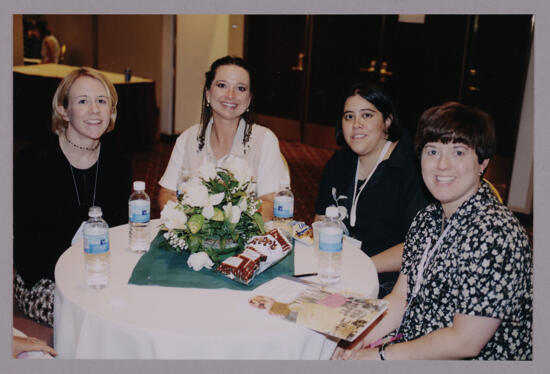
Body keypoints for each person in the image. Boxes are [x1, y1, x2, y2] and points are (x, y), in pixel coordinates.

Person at [332, 102, 533, 360]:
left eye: (458, 153)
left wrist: (383, 356)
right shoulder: (428, 218)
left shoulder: (496, 234)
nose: (442, 165)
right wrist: (360, 338)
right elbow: (401, 297)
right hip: (415, 344)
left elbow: (465, 343)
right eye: (433, 152)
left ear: (482, 162)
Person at [14, 67, 132, 327]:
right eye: (82, 101)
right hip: (45, 277)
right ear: (63, 110)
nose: (94, 110)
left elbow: (122, 231)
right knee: (93, 315)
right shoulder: (33, 161)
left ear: (111, 111)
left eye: (102, 101)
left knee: (133, 306)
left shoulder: (118, 164)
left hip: (102, 271)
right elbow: (25, 246)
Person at [315, 82, 430, 297]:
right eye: (349, 116)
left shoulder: (411, 168)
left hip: (391, 280)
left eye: (367, 115)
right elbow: (320, 219)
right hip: (339, 270)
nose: (356, 124)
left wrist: (363, 266)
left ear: (387, 121)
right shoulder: (339, 162)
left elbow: (418, 246)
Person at [158, 56, 288, 222]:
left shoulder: (264, 140)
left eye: (241, 88)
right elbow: (166, 193)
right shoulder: (189, 138)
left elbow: (271, 204)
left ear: (248, 99)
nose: (230, 95)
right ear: (208, 93)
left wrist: (224, 227)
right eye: (222, 85)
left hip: (245, 242)